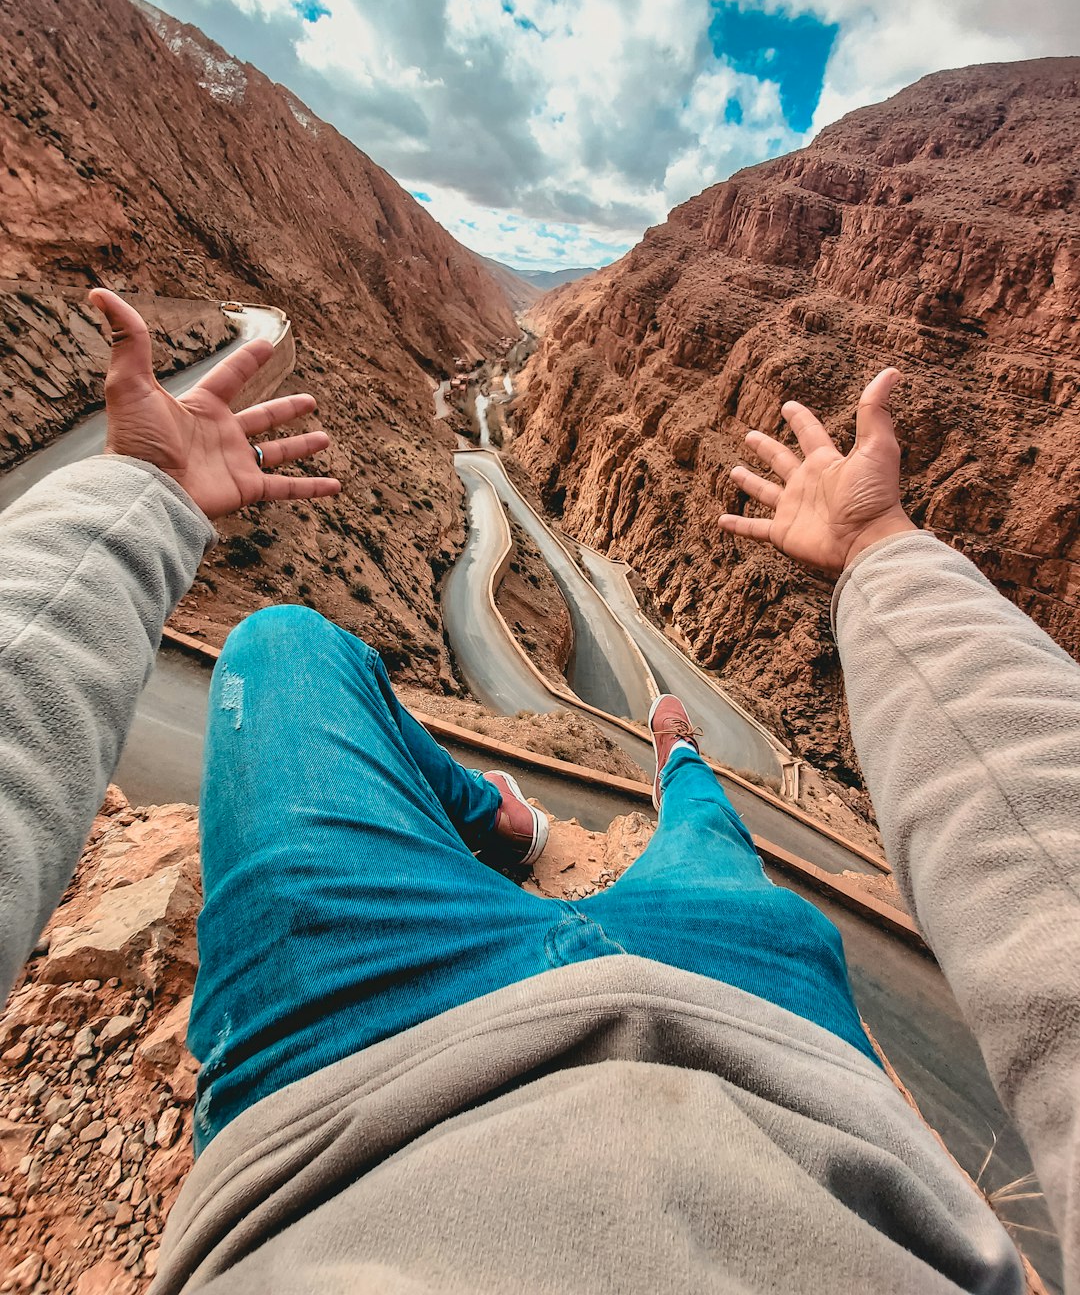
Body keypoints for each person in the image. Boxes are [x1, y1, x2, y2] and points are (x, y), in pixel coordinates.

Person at [0, 291, 1076, 1294]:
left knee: (279, 644)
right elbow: (1045, 842)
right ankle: (674, 765)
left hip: (349, 1083)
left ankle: (504, 818)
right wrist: (879, 553)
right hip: (756, 1041)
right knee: (706, 826)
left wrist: (142, 494)